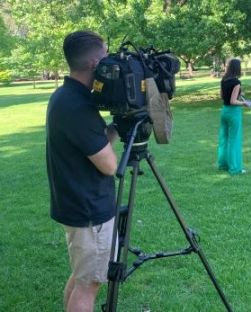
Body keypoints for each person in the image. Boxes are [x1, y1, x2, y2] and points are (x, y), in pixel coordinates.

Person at [46, 30, 118, 312]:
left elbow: (94, 142)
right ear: (94, 63)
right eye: (106, 58)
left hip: (75, 204)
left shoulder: (66, 96)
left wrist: (116, 127)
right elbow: (110, 165)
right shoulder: (77, 106)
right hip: (89, 210)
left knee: (80, 276)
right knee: (89, 285)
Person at [217, 58, 249, 175]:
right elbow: (233, 101)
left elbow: (222, 95)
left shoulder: (224, 79)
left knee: (224, 139)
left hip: (224, 111)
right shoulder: (236, 82)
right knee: (233, 140)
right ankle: (235, 168)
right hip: (233, 112)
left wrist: (239, 94)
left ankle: (223, 164)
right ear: (238, 68)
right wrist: (244, 103)